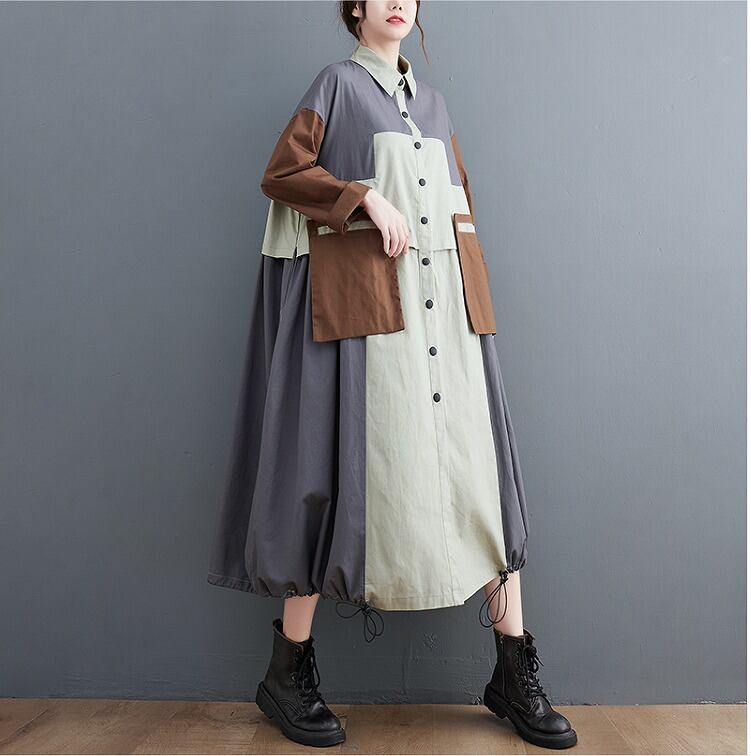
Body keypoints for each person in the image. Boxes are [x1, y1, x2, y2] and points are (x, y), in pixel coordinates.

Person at [207, 0, 576, 749]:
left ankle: (512, 671)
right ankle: (287, 674)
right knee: (329, 477)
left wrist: (472, 311)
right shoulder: (336, 87)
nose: (398, 2)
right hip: (367, 321)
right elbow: (284, 172)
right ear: (356, 9)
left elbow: (458, 208)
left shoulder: (433, 105)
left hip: (450, 322)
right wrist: (364, 197)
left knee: (479, 481)